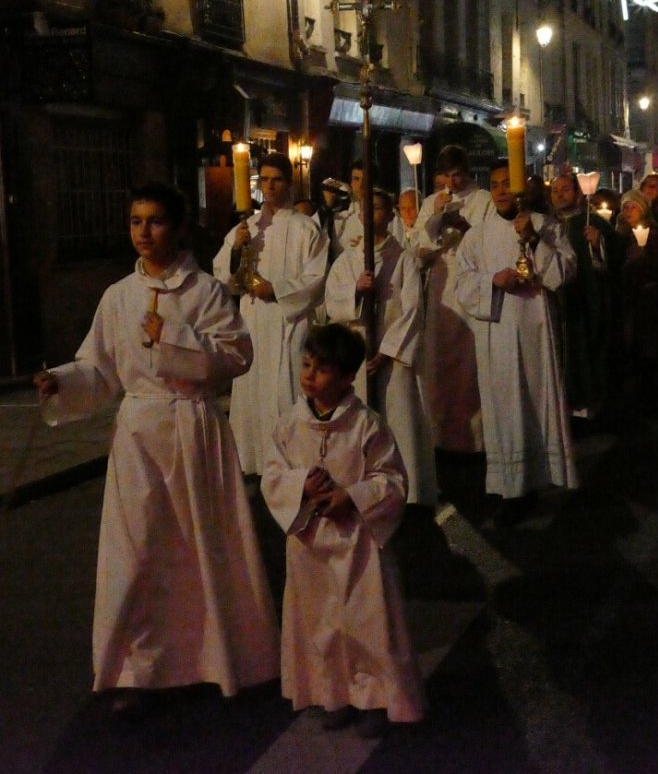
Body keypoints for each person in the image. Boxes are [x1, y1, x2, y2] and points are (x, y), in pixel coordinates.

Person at [33, 183, 279, 713]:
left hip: (191, 429)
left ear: (179, 228)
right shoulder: (117, 296)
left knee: (197, 550)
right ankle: (138, 671)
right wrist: (62, 381)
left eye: (155, 221)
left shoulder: (206, 292)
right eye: (135, 221)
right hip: (139, 435)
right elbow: (99, 369)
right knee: (137, 551)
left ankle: (210, 660)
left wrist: (172, 339)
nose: (144, 232)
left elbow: (237, 355)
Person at [261, 323, 426, 738]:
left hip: (358, 542)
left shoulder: (366, 426)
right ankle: (332, 692)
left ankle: (373, 695)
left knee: (364, 619)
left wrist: (351, 495)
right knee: (320, 623)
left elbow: (391, 479)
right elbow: (272, 475)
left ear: (348, 377)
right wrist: (300, 486)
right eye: (306, 365)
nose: (309, 376)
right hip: (310, 540)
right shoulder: (288, 426)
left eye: (321, 370)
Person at [455, 173, 578, 513]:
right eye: (494, 185)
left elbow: (565, 272)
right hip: (497, 333)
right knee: (504, 405)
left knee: (535, 400)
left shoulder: (544, 224)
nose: (500, 191)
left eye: (507, 183)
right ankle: (511, 488)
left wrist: (535, 241)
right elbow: (461, 281)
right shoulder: (477, 236)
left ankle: (539, 478)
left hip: (535, 330)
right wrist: (493, 281)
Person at [214, 152, 327, 475]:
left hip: (288, 322)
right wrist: (236, 249)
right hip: (253, 322)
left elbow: (316, 278)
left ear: (288, 182)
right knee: (252, 389)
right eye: (264, 179)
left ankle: (291, 464)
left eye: (276, 179)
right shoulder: (247, 228)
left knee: (287, 389)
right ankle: (253, 460)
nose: (269, 186)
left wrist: (276, 289)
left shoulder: (305, 228)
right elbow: (223, 275)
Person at [325, 189, 436, 506]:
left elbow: (413, 310)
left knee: (398, 421)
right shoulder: (347, 260)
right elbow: (333, 302)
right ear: (358, 215)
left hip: (391, 357)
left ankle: (407, 491)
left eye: (378, 207)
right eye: (366, 208)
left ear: (390, 215)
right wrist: (356, 293)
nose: (370, 213)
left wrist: (387, 351)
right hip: (358, 356)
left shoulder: (403, 260)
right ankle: (359, 487)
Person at [412, 144, 494, 453]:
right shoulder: (432, 201)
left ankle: (474, 438)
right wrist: (434, 224)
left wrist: (465, 228)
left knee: (468, 363)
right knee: (438, 362)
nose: (452, 183)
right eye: (446, 176)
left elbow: (489, 242)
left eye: (457, 175)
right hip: (441, 287)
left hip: (469, 283)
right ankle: (440, 435)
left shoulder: (482, 200)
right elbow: (418, 249)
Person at [550, 171, 618, 419]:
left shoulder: (593, 222)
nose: (559, 194)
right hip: (557, 300)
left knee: (584, 349)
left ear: (578, 194)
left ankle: (585, 407)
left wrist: (599, 243)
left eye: (565, 189)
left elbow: (616, 252)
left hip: (585, 298)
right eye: (555, 190)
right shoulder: (546, 223)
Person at [615, 189, 658, 394]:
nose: (629, 211)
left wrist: (645, 256)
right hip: (625, 296)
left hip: (647, 299)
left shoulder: (654, 235)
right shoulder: (618, 233)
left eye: (633, 207)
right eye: (625, 207)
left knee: (646, 342)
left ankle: (647, 385)